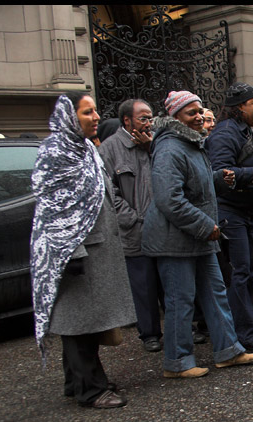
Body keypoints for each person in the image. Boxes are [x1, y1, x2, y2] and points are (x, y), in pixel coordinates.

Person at [30, 93, 136, 408]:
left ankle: (75, 382)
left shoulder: (85, 147)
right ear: (68, 116)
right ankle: (92, 389)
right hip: (75, 253)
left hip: (97, 250)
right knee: (78, 322)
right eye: (87, 112)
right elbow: (54, 210)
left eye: (95, 111)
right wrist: (72, 253)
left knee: (81, 321)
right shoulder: (56, 152)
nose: (95, 117)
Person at [143, 89, 253, 378]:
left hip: (199, 237)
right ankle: (177, 362)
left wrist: (219, 179)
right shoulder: (170, 147)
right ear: (174, 116)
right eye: (191, 112)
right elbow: (169, 199)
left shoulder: (192, 144)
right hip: (177, 239)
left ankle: (228, 350)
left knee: (215, 293)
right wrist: (207, 226)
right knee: (180, 300)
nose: (198, 117)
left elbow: (196, 187)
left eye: (200, 111)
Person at [206, 83, 253, 352]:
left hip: (246, 212)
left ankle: (250, 328)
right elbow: (222, 174)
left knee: (248, 272)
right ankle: (244, 332)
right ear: (239, 108)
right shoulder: (224, 134)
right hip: (230, 213)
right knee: (240, 273)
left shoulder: (246, 131)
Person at [98, 98, 164, 353]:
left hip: (163, 228)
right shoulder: (109, 149)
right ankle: (149, 333)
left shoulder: (156, 142)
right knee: (143, 285)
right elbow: (108, 193)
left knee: (168, 282)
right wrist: (131, 218)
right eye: (143, 118)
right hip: (134, 231)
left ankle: (181, 328)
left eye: (151, 118)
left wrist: (152, 148)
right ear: (127, 120)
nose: (149, 123)